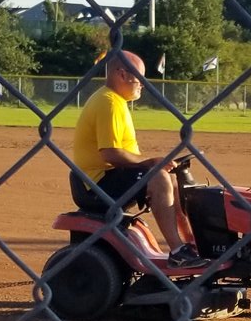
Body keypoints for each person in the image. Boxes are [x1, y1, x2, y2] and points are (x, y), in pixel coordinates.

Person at [69, 48, 201, 266]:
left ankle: (190, 243)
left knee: (172, 177)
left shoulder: (114, 100)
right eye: (139, 77)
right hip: (98, 183)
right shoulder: (109, 102)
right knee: (158, 177)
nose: (143, 83)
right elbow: (111, 154)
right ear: (122, 74)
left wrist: (151, 164)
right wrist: (149, 163)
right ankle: (178, 251)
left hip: (106, 178)